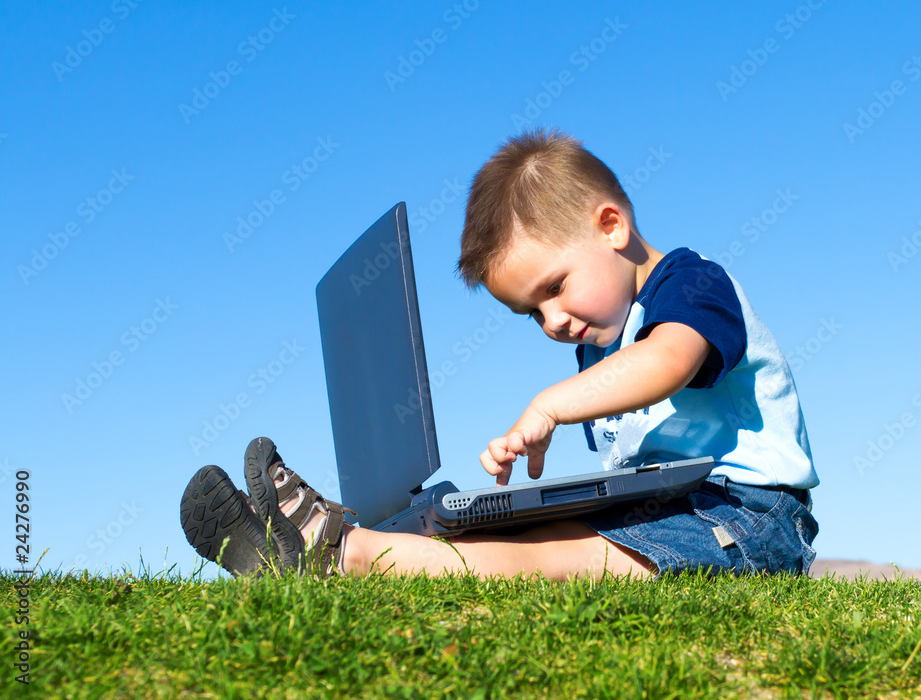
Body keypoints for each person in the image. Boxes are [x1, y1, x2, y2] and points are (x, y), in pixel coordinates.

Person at [180, 129, 819, 581]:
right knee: (477, 523)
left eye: (554, 289)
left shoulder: (690, 284)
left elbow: (668, 362)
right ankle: (334, 541)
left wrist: (551, 407)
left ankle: (349, 557)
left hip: (747, 516)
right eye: (531, 313)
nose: (551, 322)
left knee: (547, 561)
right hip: (661, 506)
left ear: (611, 227)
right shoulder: (599, 334)